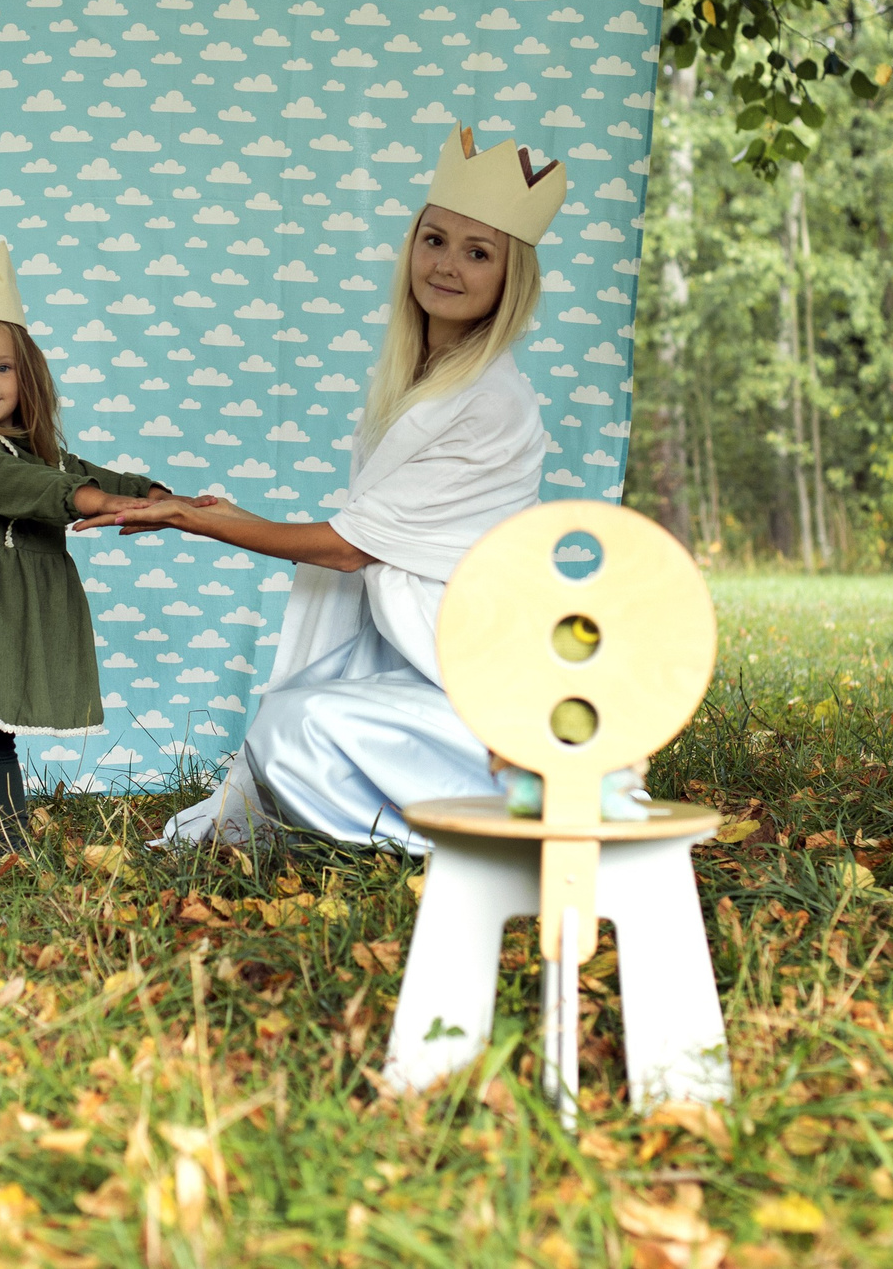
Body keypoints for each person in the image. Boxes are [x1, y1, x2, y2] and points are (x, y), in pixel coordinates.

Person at [76, 126, 570, 850]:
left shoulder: (492, 402)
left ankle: (508, 811)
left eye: (478, 252)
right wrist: (216, 513)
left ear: (509, 277)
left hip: (475, 671)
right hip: (415, 662)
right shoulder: (418, 383)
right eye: (434, 240)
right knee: (290, 722)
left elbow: (347, 550)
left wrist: (200, 518)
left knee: (293, 727)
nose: (446, 265)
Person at [0, 241, 191, 868]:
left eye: (1, 368)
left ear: (24, 374)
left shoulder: (34, 450)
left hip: (8, 619)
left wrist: (151, 496)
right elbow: (35, 491)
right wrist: (93, 501)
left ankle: (12, 844)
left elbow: (76, 470)